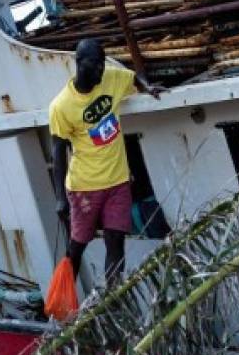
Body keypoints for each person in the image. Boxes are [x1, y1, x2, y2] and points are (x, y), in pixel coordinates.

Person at [49, 39, 164, 289]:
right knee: (78, 244)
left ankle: (113, 300)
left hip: (118, 182)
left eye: (103, 64)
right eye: (95, 64)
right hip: (84, 188)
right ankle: (65, 303)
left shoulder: (110, 78)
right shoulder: (61, 106)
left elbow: (134, 77)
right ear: (79, 64)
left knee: (115, 242)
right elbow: (58, 151)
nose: (101, 70)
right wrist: (60, 197)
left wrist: (148, 87)